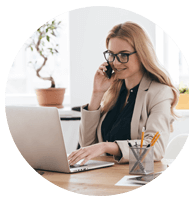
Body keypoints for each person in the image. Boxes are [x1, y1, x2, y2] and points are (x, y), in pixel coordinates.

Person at [68, 21, 179, 166]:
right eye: (112, 55)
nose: (116, 62)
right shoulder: (113, 91)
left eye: (123, 55)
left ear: (142, 54)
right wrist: (97, 93)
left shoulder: (160, 93)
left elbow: (155, 150)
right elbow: (87, 144)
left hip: (133, 176)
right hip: (105, 175)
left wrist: (106, 146)